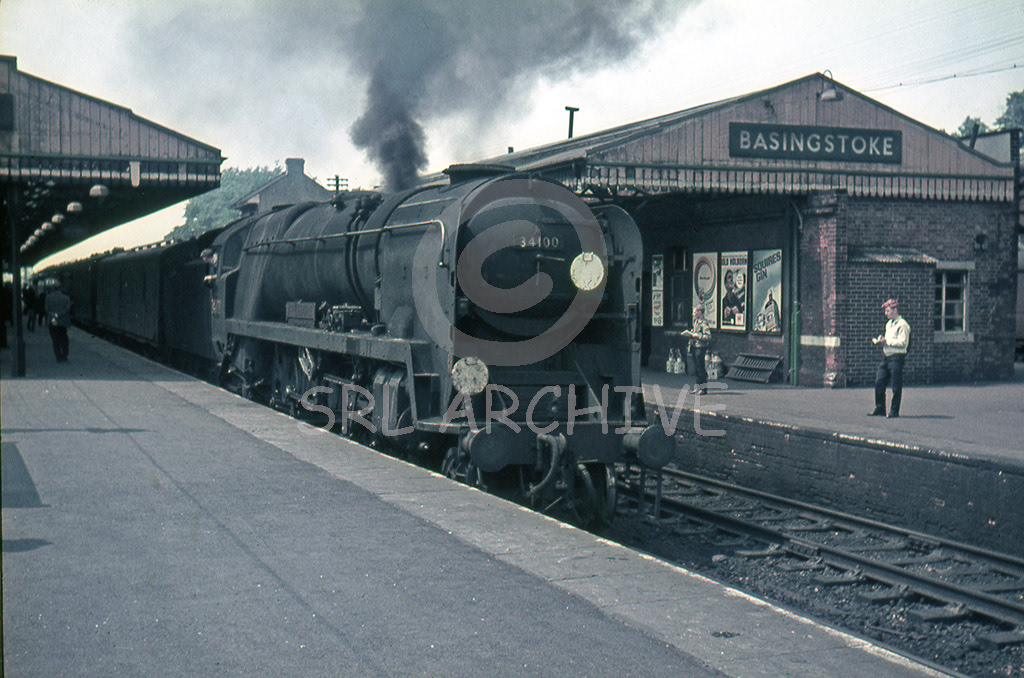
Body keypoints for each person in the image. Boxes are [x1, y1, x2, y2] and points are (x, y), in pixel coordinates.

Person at [869, 298, 910, 418]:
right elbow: (890, 341)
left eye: (888, 311)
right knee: (879, 381)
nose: (885, 313)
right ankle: (880, 407)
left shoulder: (903, 325)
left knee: (896, 384)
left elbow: (903, 343)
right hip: (887, 357)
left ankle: (894, 411)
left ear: (895, 310)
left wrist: (887, 341)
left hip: (897, 357)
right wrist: (881, 341)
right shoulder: (889, 324)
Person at [679, 304, 711, 394]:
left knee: (700, 367)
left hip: (700, 347)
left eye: (694, 312)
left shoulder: (704, 323)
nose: (693, 314)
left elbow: (708, 336)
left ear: (699, 312)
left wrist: (697, 336)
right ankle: (698, 387)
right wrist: (691, 336)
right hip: (694, 346)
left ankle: (703, 389)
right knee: (696, 367)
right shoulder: (696, 321)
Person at [45, 284, 72, 363]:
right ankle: (65, 355)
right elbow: (67, 309)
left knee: (55, 339)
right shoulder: (66, 298)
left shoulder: (48, 297)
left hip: (53, 320)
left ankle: (58, 356)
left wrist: (54, 315)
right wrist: (59, 314)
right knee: (64, 338)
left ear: (53, 289)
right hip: (63, 321)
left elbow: (46, 309)